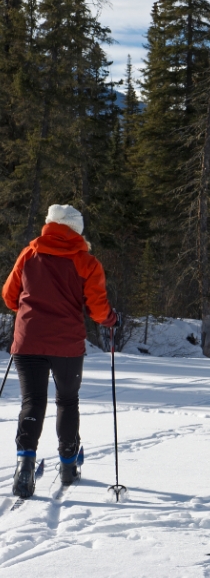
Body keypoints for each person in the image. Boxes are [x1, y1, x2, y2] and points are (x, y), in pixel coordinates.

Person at [3, 205, 120, 498]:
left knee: (32, 401)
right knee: (67, 401)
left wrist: (29, 310)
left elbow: (9, 296)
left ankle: (24, 467)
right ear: (76, 230)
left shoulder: (30, 254)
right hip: (66, 345)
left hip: (28, 341)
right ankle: (68, 467)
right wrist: (111, 319)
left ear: (50, 225)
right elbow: (97, 309)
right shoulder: (86, 262)